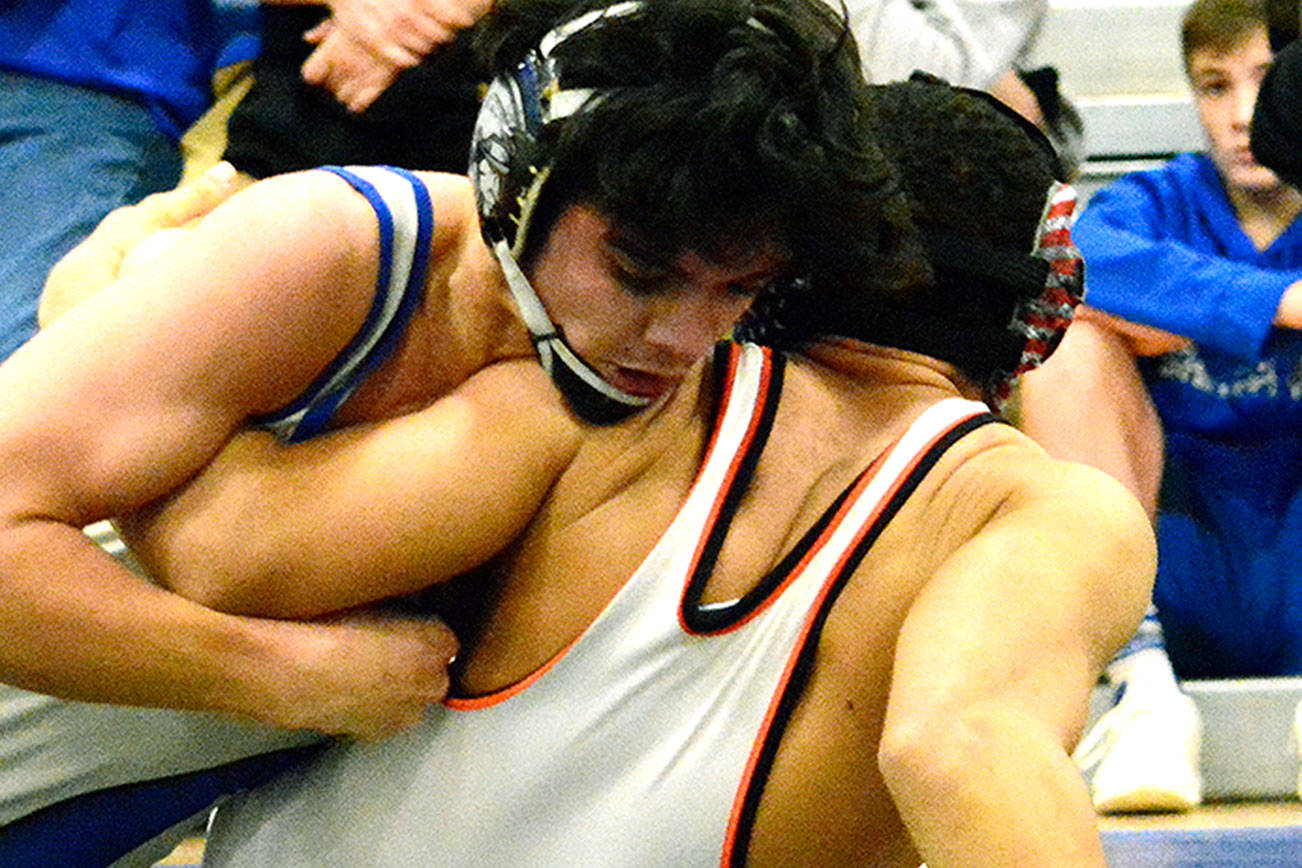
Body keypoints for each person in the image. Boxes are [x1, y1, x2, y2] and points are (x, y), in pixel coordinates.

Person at [0, 0, 913, 862]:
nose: (681, 338)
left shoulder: (662, 406)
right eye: (639, 272)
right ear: (515, 183)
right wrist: (278, 674)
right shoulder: (331, 252)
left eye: (739, 289)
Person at [163, 75, 1154, 866]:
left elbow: (219, 555)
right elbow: (960, 749)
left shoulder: (598, 398)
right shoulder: (1041, 511)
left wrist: (123, 301)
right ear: (1042, 312)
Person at [1020, 0, 1302, 813]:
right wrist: (1278, 304)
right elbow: (1077, 259)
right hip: (1177, 555)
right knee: (1067, 338)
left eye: (1266, 82)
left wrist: (1180, 315)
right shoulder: (1163, 199)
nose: (1243, 115)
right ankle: (1143, 691)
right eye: (1215, 87)